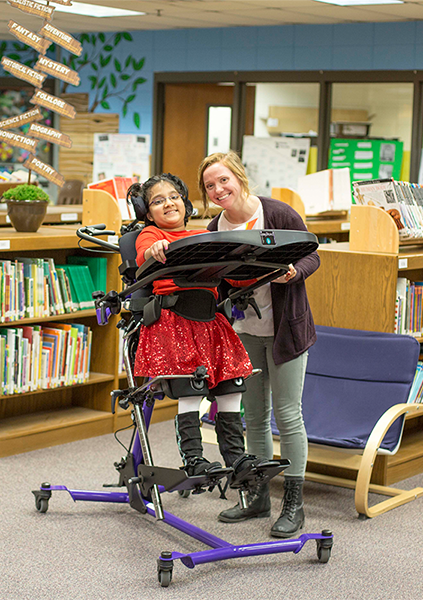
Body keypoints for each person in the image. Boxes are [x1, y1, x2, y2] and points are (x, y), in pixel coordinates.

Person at [197, 150, 320, 538]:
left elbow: (312, 254)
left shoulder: (278, 214)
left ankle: (294, 504)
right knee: (253, 416)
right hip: (245, 331)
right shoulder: (214, 228)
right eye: (210, 185)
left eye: (223, 180)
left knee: (287, 414)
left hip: (287, 330)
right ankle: (257, 495)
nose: (218, 189)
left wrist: (293, 272)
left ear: (239, 177)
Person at [128, 173, 260, 483]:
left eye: (173, 197)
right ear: (148, 213)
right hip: (174, 324)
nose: (168, 203)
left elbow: (233, 278)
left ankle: (236, 458)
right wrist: (154, 249)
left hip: (210, 324)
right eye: (158, 201)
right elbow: (144, 253)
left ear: (185, 204)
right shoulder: (150, 234)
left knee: (231, 386)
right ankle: (195, 460)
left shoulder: (204, 235)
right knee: (191, 389)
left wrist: (263, 267)